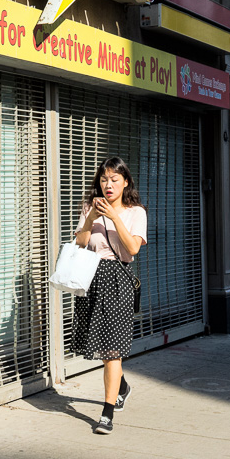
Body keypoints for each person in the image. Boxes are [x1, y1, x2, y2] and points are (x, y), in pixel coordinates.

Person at [72, 157, 147, 435]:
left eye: (114, 179)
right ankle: (123, 386)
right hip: (91, 277)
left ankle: (106, 414)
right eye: (104, 179)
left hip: (118, 280)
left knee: (112, 349)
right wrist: (92, 217)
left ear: (125, 181)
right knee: (104, 348)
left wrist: (114, 217)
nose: (108, 185)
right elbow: (80, 242)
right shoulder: (89, 207)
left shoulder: (135, 212)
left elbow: (132, 249)